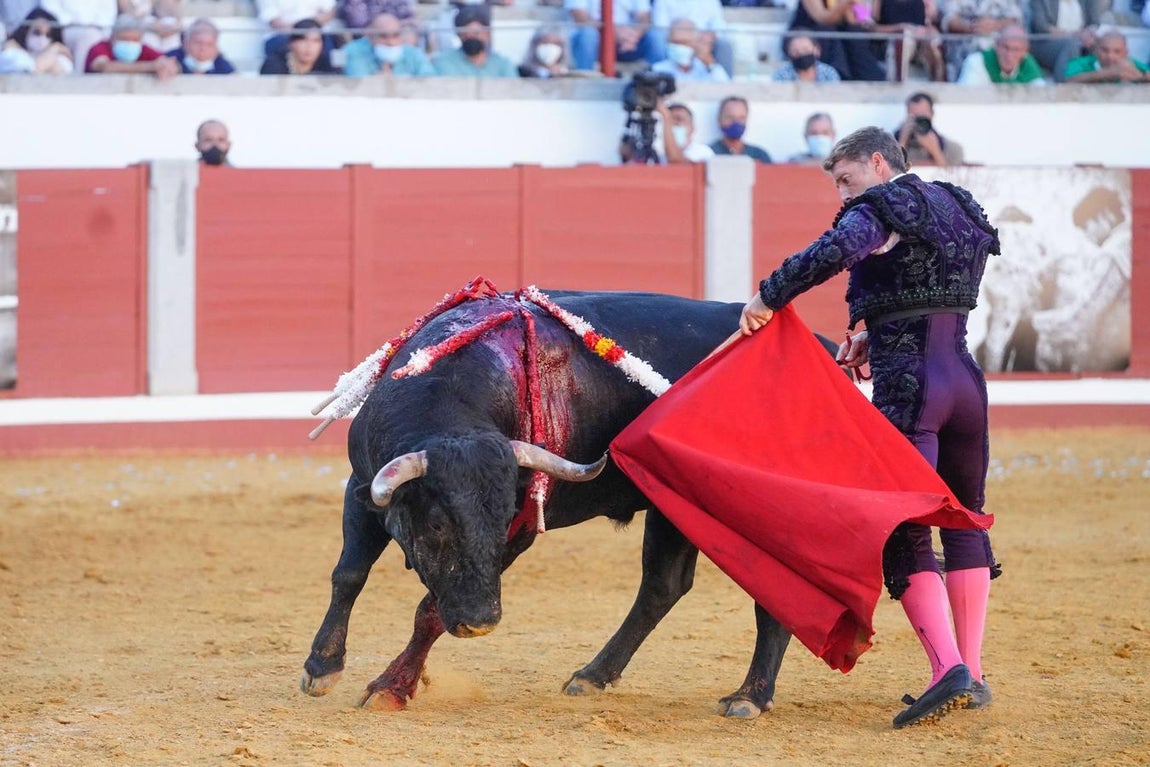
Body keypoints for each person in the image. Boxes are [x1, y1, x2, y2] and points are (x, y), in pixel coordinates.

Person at [739, 125, 1000, 729]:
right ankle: (975, 673)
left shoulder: (883, 205)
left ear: (878, 163)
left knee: (903, 526)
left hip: (912, 392)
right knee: (964, 518)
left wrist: (768, 297)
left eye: (847, 179)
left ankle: (946, 668)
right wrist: (871, 331)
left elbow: (837, 250)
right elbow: (929, 282)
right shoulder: (958, 204)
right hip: (965, 382)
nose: (844, 195)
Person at [787, 0, 886, 80]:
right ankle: (839, 74)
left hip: (840, 33)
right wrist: (844, 4)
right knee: (827, 31)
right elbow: (822, 18)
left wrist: (852, 14)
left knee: (854, 33)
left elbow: (865, 19)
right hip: (808, 33)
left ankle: (870, 75)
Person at [650, 0, 735, 80]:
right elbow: (660, 28)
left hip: (702, 38)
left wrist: (709, 64)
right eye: (677, 43)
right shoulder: (659, 70)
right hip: (674, 31)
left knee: (724, 45)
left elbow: (724, 85)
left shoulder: (707, 68)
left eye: (684, 43)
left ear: (693, 44)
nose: (680, 47)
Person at [940, 0, 1024, 81]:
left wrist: (995, 24)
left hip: (996, 51)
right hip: (963, 48)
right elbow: (948, 19)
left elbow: (1015, 19)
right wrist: (972, 27)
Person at [565, 0, 655, 73]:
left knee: (655, 37)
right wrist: (614, 33)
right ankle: (585, 79)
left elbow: (644, 16)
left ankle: (660, 84)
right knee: (588, 34)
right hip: (596, 38)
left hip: (628, 41)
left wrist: (634, 35)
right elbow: (580, 16)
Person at [85, 12, 181, 79]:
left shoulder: (144, 49)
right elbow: (103, 66)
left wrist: (167, 67)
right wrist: (151, 67)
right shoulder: (100, 48)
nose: (129, 43)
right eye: (124, 39)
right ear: (112, 38)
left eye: (134, 40)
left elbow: (168, 62)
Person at [431, 4, 517, 78]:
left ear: (488, 34)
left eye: (476, 33)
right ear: (458, 35)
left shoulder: (503, 65)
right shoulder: (445, 62)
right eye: (465, 34)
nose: (470, 37)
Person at [1027, 0, 1101, 82]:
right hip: (1047, 41)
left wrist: (1088, 33)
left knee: (1106, 43)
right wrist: (1075, 35)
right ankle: (1063, 84)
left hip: (1081, 40)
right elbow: (1041, 26)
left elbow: (1095, 23)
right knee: (1071, 44)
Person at [872, 0, 946, 81]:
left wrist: (925, 30)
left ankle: (940, 83)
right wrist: (900, 28)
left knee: (934, 39)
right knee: (904, 38)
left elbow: (932, 20)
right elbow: (872, 27)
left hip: (919, 39)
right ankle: (897, 83)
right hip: (892, 39)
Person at [342, 10, 432, 76]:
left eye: (395, 35)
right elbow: (358, 86)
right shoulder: (354, 51)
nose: (391, 42)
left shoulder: (413, 53)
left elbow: (430, 82)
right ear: (370, 37)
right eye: (383, 36)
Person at [957, 22, 1047, 84]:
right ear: (996, 45)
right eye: (1005, 47)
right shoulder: (976, 62)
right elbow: (968, 98)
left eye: (1015, 49)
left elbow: (1041, 99)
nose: (1009, 55)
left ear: (1024, 52)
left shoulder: (1029, 67)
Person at [39, 0, 118, 70]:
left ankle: (80, 77)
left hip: (95, 31)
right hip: (63, 29)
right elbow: (49, 11)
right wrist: (76, 24)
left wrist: (88, 26)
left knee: (90, 35)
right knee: (87, 35)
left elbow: (107, 17)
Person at [894, 91, 964, 166]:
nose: (918, 122)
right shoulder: (890, 146)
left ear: (932, 114)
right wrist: (902, 142)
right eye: (913, 116)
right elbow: (891, 172)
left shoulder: (952, 149)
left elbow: (951, 175)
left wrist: (936, 152)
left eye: (922, 116)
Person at [0, 7, 75, 74]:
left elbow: (64, 70)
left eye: (48, 35)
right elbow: (32, 70)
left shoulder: (60, 58)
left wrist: (53, 50)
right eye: (37, 33)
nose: (42, 38)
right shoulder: (12, 53)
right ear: (25, 32)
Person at [1063, 27, 1150, 83]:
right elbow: (1069, 81)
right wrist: (1108, 73)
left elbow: (1146, 74)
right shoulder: (1080, 63)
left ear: (1125, 53)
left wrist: (1140, 77)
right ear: (1096, 50)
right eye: (1105, 50)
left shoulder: (1131, 63)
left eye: (1117, 51)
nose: (1110, 56)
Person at [257, 0, 336, 56]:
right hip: (283, 34)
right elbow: (273, 20)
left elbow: (330, 11)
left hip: (314, 32)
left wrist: (310, 28)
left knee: (327, 48)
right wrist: (299, 30)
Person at [708, 96, 771, 163]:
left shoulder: (759, 155)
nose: (736, 122)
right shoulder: (709, 153)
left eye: (741, 118)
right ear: (719, 119)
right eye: (730, 117)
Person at [167, 18, 235, 75]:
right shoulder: (170, 59)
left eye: (209, 44)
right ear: (186, 43)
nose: (203, 48)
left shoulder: (224, 67)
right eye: (198, 43)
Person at [771, 33, 842, 81]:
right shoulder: (780, 76)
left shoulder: (829, 73)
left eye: (806, 50)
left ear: (816, 50)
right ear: (788, 54)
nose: (801, 54)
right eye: (795, 51)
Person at [119, 0, 183, 53]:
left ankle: (169, 60)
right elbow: (129, 17)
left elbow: (178, 21)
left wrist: (167, 28)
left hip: (160, 29)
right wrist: (154, 26)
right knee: (149, 33)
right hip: (139, 27)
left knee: (169, 21)